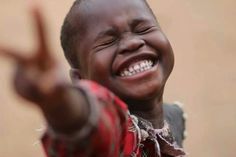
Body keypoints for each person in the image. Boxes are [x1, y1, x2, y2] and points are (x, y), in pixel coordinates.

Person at [0, 0, 186, 156]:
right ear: (80, 79)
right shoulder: (116, 136)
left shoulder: (173, 117)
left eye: (143, 28)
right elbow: (88, 126)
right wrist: (59, 101)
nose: (132, 43)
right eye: (108, 41)